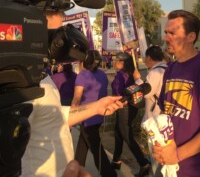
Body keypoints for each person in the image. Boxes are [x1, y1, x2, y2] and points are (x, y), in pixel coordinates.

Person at [21, 11, 125, 177]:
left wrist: (96, 107)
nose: (64, 41)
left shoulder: (41, 74)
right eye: (58, 35)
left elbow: (55, 115)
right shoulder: (19, 82)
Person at [152, 10, 200, 177]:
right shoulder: (171, 68)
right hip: (174, 169)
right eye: (166, 32)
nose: (166, 38)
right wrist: (159, 144)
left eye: (172, 33)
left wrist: (177, 155)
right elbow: (167, 115)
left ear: (190, 37)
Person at [72, 50, 117, 176]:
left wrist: (71, 119)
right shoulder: (102, 74)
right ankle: (76, 170)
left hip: (87, 118)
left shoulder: (82, 75)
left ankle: (110, 174)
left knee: (97, 151)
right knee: (83, 145)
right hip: (98, 117)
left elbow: (76, 99)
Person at [111, 51, 150, 177]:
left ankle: (143, 163)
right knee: (118, 132)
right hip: (132, 107)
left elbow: (118, 94)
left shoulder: (121, 76)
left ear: (123, 63)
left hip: (124, 108)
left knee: (127, 136)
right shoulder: (132, 74)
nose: (114, 62)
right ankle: (116, 160)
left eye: (117, 60)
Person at [142, 45, 167, 123]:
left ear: (149, 58)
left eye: (145, 58)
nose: (144, 61)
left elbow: (147, 93)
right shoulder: (167, 68)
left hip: (154, 113)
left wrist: (137, 79)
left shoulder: (155, 72)